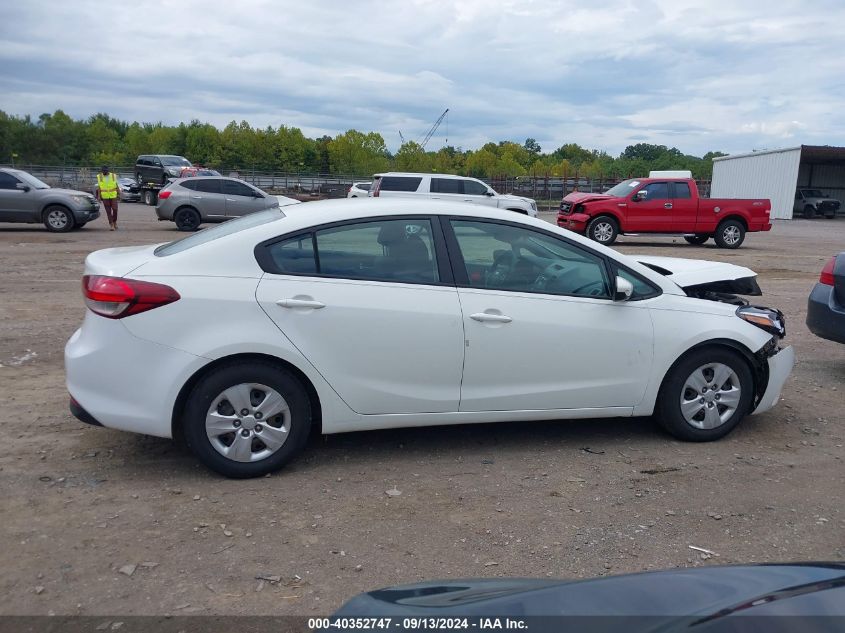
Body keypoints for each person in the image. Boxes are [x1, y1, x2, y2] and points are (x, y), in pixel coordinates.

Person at [96, 166, 120, 230]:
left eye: (105, 171)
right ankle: (111, 224)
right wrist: (98, 196)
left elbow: (116, 185)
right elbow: (99, 187)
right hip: (105, 196)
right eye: (103, 171)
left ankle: (114, 221)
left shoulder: (113, 176)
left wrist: (119, 193)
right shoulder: (99, 176)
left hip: (113, 195)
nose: (103, 172)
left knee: (115, 209)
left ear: (107, 171)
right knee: (108, 211)